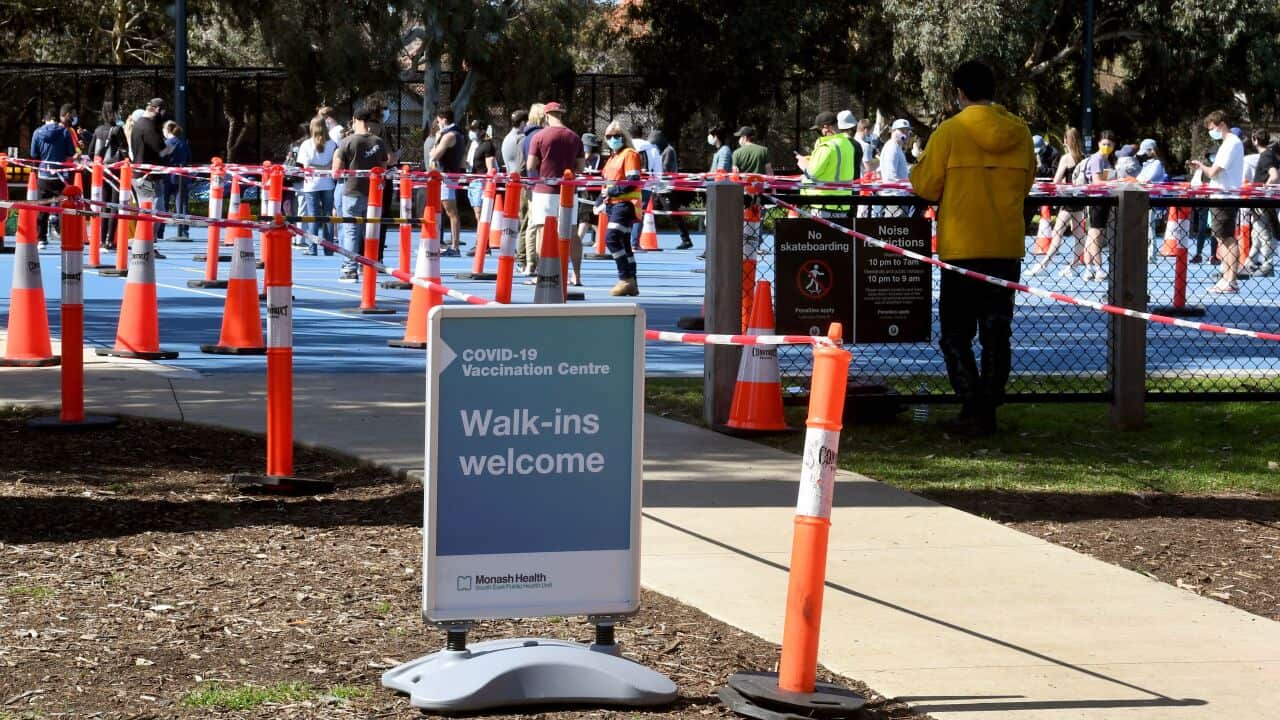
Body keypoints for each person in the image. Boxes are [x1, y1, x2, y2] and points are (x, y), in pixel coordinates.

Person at [909, 60, 1035, 437]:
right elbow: (1027, 184)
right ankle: (988, 405)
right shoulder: (1020, 132)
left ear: (959, 93)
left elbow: (926, 186)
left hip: (962, 248)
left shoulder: (950, 131)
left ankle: (973, 403)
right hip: (1005, 245)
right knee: (997, 331)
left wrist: (917, 170)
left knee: (955, 333)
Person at [524, 101, 583, 279]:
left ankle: (546, 273)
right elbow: (580, 167)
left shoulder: (540, 136)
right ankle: (577, 275)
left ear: (547, 115)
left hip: (544, 190)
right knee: (572, 232)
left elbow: (530, 164)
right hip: (568, 191)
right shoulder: (574, 137)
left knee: (544, 230)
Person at [332, 104, 391, 281]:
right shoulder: (378, 142)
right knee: (369, 230)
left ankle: (350, 268)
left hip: (352, 191)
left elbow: (337, 170)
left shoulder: (348, 142)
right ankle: (367, 264)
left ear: (355, 120)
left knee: (350, 230)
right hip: (373, 194)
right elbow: (383, 168)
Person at [1190, 110, 1245, 293]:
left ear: (1221, 124)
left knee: (1227, 239)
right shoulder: (1228, 144)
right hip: (1222, 195)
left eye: (1212, 128)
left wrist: (1201, 166)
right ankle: (1226, 277)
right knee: (1223, 238)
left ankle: (1231, 280)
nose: (1211, 132)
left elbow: (1214, 172)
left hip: (1225, 196)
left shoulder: (1231, 144)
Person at [1026, 127, 1086, 277]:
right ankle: (1074, 265)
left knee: (1058, 232)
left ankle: (1044, 264)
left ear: (1066, 140)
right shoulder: (1083, 157)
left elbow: (1057, 180)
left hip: (1067, 199)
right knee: (1079, 234)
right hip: (1079, 198)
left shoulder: (1066, 158)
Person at [598, 120, 642, 296]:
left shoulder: (630, 154)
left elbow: (633, 181)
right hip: (612, 204)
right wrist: (598, 202)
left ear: (624, 137)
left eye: (617, 136)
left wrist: (613, 192)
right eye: (609, 136)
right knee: (624, 244)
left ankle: (625, 278)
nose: (612, 139)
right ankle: (633, 282)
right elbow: (605, 185)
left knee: (612, 238)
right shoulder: (612, 158)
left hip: (625, 204)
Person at [29, 103, 78, 249]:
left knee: (43, 207)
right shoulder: (64, 132)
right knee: (65, 206)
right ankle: (66, 237)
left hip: (44, 174)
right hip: (61, 175)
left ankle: (41, 238)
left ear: (45, 119)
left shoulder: (37, 133)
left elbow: (33, 155)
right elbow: (70, 153)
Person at [796, 111, 857, 211]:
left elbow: (812, 173)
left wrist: (803, 164)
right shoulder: (847, 144)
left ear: (826, 128)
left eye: (819, 130)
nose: (820, 134)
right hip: (843, 203)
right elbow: (834, 167)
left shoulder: (827, 146)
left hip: (823, 203)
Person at [427, 105, 466, 256]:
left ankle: (455, 247)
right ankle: (440, 243)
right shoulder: (457, 133)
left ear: (443, 119)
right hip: (448, 176)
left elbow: (434, 156)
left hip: (447, 177)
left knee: (451, 212)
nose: (437, 124)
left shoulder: (449, 135)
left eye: (438, 121)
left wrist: (437, 141)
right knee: (445, 211)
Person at [297, 116, 338, 256]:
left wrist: (316, 166)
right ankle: (328, 248)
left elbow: (305, 166)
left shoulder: (306, 144)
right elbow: (334, 164)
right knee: (328, 216)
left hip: (311, 184)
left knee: (313, 216)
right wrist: (325, 166)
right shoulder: (332, 144)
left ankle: (312, 247)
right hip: (327, 183)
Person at [1079, 129, 1116, 281]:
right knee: (1095, 235)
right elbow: (1097, 182)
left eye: (1109, 144)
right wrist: (1117, 182)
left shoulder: (1107, 160)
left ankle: (1089, 269)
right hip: (1096, 200)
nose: (1106, 146)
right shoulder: (1097, 159)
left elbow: (1106, 179)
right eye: (1104, 143)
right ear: (1099, 143)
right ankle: (1099, 268)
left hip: (1104, 200)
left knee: (1092, 236)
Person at [91, 102, 126, 249]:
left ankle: (101, 238)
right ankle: (110, 239)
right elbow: (125, 150)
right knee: (114, 204)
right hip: (116, 170)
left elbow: (91, 152)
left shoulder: (98, 130)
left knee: (103, 204)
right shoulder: (118, 130)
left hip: (101, 170)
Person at [652, 129, 694, 250]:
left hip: (666, 188)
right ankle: (643, 237)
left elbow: (665, 169)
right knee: (650, 214)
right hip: (658, 188)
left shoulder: (668, 151)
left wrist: (654, 171)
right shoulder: (661, 151)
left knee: (673, 214)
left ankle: (686, 239)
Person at [516, 103, 546, 270]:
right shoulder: (539, 136)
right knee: (534, 224)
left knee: (528, 223)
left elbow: (523, 165)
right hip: (538, 184)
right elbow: (530, 164)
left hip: (528, 183)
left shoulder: (525, 137)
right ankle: (532, 262)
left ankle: (526, 261)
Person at [1245, 130, 1278, 277]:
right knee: (1257, 231)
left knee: (1263, 232)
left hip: (1263, 200)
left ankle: (1267, 263)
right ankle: (1251, 262)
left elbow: (1274, 175)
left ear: (1255, 139)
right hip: (1262, 200)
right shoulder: (1270, 155)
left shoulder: (1265, 156)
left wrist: (1265, 188)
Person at [157, 121, 191, 240]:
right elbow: (188, 158)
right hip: (182, 177)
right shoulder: (183, 144)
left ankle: (160, 231)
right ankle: (184, 232)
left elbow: (161, 158)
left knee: (163, 205)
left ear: (168, 130)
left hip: (167, 177)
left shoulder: (167, 144)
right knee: (182, 205)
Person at [575, 132, 605, 268]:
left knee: (586, 218)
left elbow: (595, 173)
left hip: (593, 192)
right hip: (583, 191)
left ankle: (577, 241)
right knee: (592, 219)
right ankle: (600, 239)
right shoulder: (580, 156)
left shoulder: (598, 159)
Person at [1136, 138, 1168, 257]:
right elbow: (1139, 178)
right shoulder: (1146, 164)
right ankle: (1144, 250)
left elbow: (1146, 179)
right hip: (1143, 198)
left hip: (1152, 199)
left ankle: (1151, 253)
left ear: (1152, 151)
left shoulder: (1157, 164)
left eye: (1146, 151)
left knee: (1150, 226)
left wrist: (1140, 179)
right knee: (1144, 226)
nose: (1144, 154)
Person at [879, 119, 912, 183]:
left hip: (900, 191)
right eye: (902, 130)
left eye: (907, 130)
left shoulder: (897, 147)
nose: (906, 134)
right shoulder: (892, 148)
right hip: (894, 192)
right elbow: (890, 177)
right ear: (893, 131)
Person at [501, 109, 528, 173]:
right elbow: (522, 166)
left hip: (509, 178)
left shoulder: (506, 138)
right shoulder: (521, 139)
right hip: (520, 179)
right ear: (523, 123)